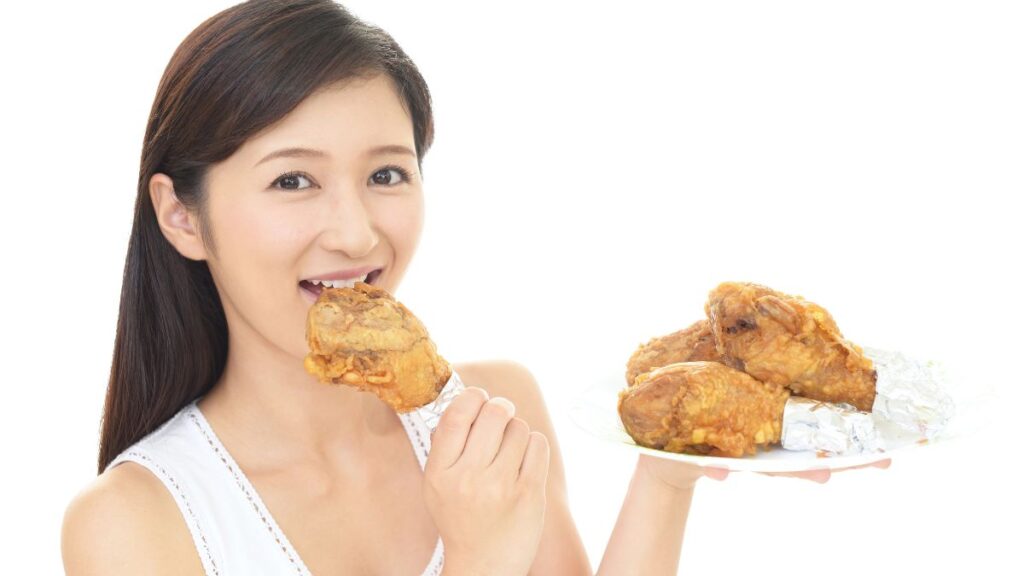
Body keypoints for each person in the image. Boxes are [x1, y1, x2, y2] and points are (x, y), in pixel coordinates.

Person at [60, 1, 889, 574]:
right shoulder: (132, 524)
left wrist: (665, 471)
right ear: (182, 218)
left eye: (387, 172)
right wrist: (481, 559)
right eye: (292, 182)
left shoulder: (494, 412)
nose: (355, 232)